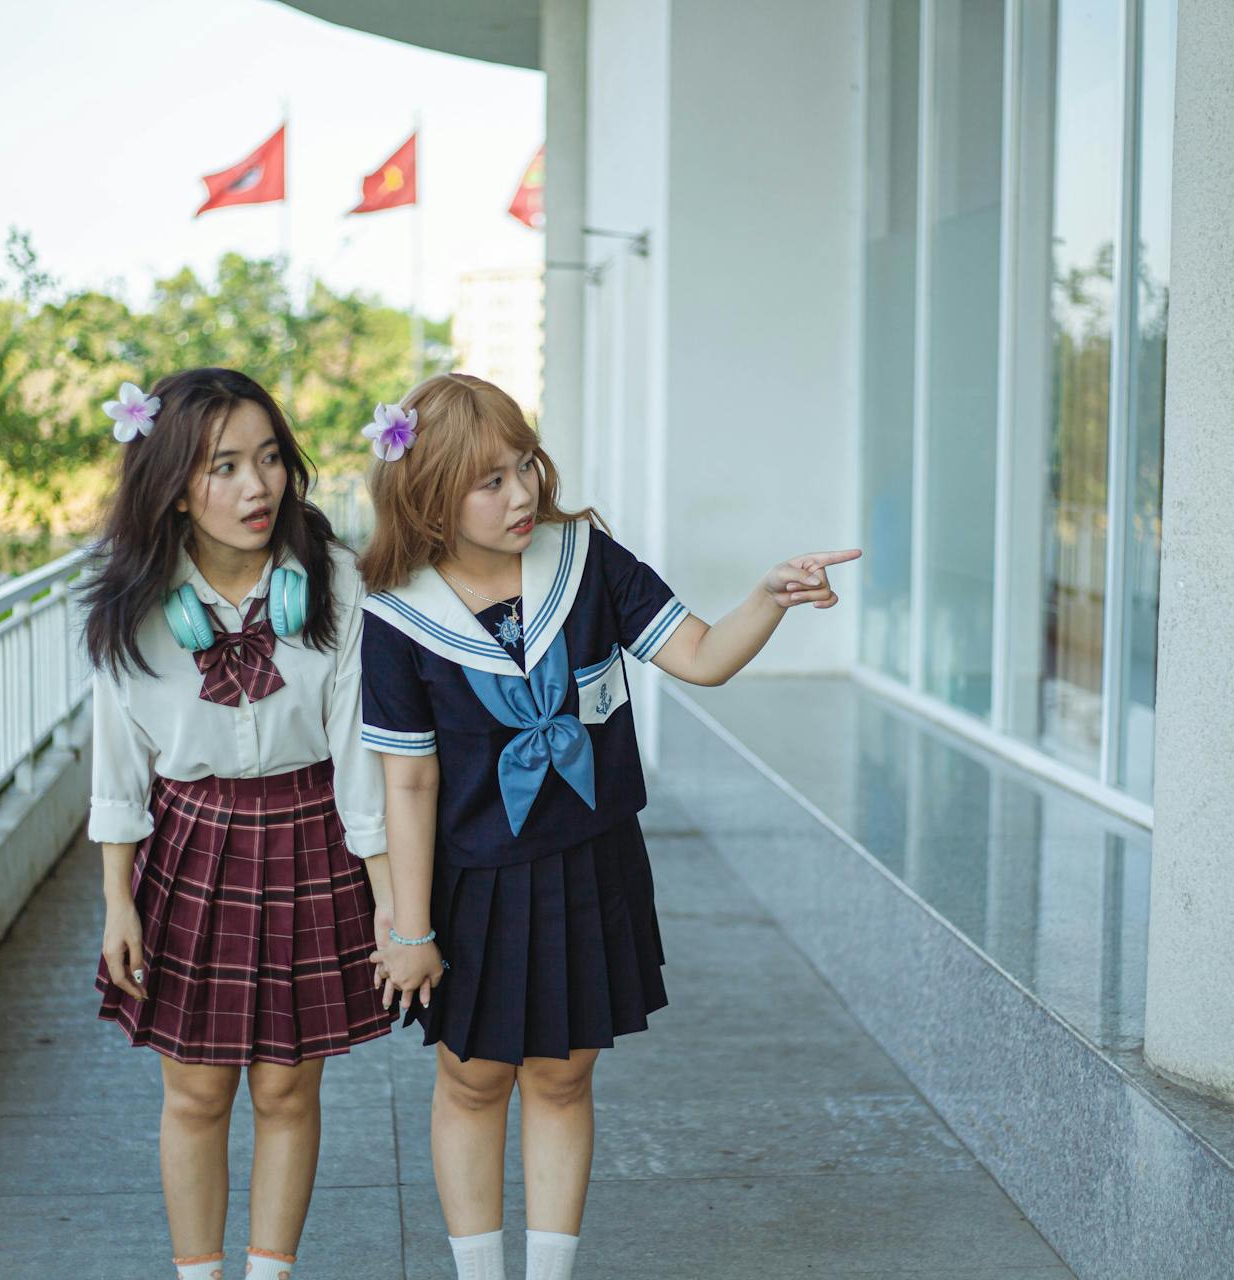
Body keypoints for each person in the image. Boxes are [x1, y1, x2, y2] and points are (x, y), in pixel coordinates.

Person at [356, 373, 858, 1280]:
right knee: (473, 1080)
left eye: (524, 468)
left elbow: (700, 656)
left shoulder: (584, 559)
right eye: (490, 482)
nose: (521, 495)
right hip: (471, 882)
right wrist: (410, 928)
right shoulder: (398, 617)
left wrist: (771, 597)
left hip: (591, 864)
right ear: (427, 496)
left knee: (561, 1074)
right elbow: (411, 784)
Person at [81, 368, 394, 1280]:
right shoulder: (132, 612)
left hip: (312, 835)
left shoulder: (331, 583)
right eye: (224, 466)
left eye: (268, 459)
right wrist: (117, 904)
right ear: (176, 484)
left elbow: (361, 759)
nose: (257, 487)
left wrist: (390, 906)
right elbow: (117, 774)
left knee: (290, 1087)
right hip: (190, 845)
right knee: (195, 1090)